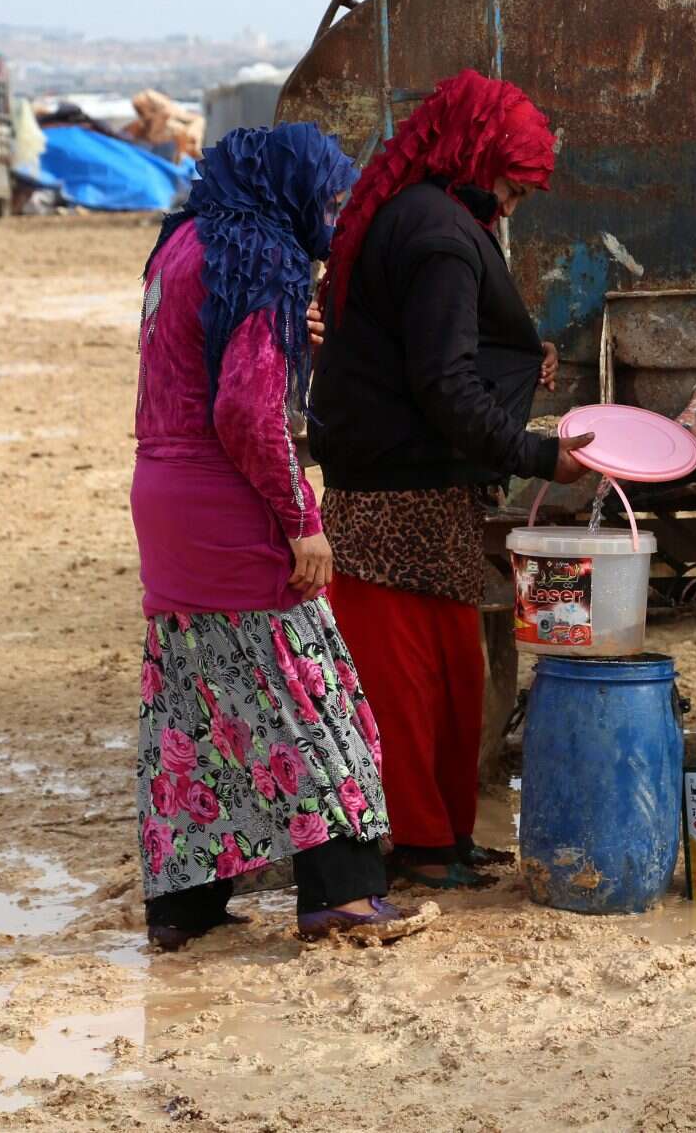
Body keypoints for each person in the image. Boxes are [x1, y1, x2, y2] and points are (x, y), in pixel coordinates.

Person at [131, 122, 430, 952]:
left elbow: (201, 359)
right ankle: (340, 893)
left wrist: (283, 335)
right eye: (327, 198)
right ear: (289, 190)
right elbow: (244, 410)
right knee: (309, 690)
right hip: (227, 506)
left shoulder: (184, 240)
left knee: (195, 710)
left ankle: (183, 908)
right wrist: (302, 519)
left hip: (161, 495)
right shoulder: (263, 256)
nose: (330, 216)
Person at [310, 68, 592, 892]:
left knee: (450, 673)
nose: (510, 206)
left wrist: (516, 360)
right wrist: (543, 455)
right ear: (473, 155)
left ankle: (446, 837)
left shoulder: (430, 217)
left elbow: (446, 357)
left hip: (411, 488)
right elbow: (443, 382)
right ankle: (424, 845)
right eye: (510, 186)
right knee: (407, 680)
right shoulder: (438, 236)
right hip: (396, 491)